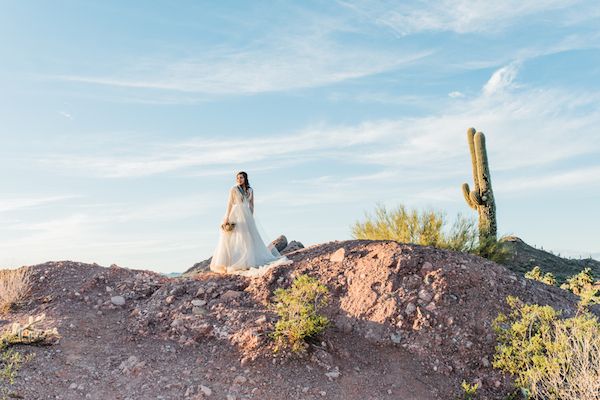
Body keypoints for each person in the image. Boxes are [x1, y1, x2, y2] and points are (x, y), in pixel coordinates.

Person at [209, 171, 291, 276]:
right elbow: (230, 203)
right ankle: (234, 262)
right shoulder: (234, 189)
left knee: (249, 238)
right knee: (236, 238)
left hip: (247, 215)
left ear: (245, 179)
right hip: (236, 214)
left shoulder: (250, 190)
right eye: (238, 178)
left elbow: (251, 204)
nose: (239, 179)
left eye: (241, 178)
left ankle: (248, 260)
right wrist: (227, 217)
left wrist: (251, 216)